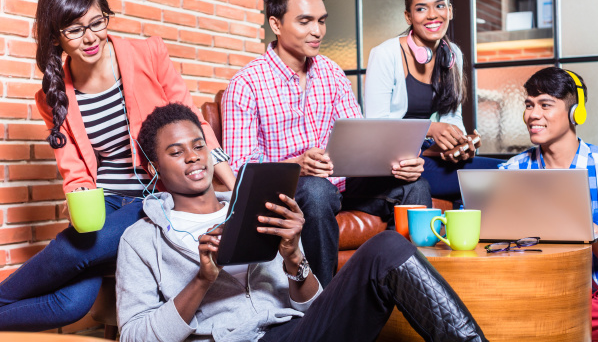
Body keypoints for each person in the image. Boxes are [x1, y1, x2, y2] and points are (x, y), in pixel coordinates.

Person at [116, 102, 487, 342]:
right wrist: (202, 280)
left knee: (388, 247)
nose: (193, 158)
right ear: (154, 167)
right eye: (176, 152)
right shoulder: (142, 239)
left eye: (199, 146)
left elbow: (312, 307)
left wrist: (293, 255)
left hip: (299, 332)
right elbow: (133, 337)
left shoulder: (256, 208)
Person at [0, 0, 235, 331]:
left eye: (97, 22)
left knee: (73, 251)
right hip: (104, 200)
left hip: (155, 196)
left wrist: (231, 183)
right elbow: (74, 169)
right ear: (56, 36)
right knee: (69, 305)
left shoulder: (147, 54)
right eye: (75, 30)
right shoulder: (53, 94)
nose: (91, 36)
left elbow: (191, 119)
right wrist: (81, 200)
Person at [221, 0, 431, 287]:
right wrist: (297, 163)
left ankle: (409, 285)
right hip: (293, 192)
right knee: (316, 191)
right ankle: (321, 303)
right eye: (305, 21)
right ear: (276, 24)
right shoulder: (246, 84)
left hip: (342, 184)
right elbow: (241, 171)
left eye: (321, 21)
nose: (317, 31)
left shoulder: (331, 72)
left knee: (415, 187)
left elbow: (361, 137)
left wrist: (400, 162)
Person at [364, 0, 502, 202]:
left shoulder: (453, 54)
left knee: (507, 169)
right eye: (421, 9)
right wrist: (430, 128)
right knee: (498, 177)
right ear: (408, 16)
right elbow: (376, 128)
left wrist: (458, 144)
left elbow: (452, 118)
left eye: (439, 6)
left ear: (449, 10)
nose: (432, 15)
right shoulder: (385, 54)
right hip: (396, 164)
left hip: (428, 154)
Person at [498, 66, 598, 340]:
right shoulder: (511, 171)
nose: (533, 115)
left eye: (545, 104)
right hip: (529, 288)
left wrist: (588, 230)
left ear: (575, 113)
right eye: (529, 105)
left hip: (591, 294)